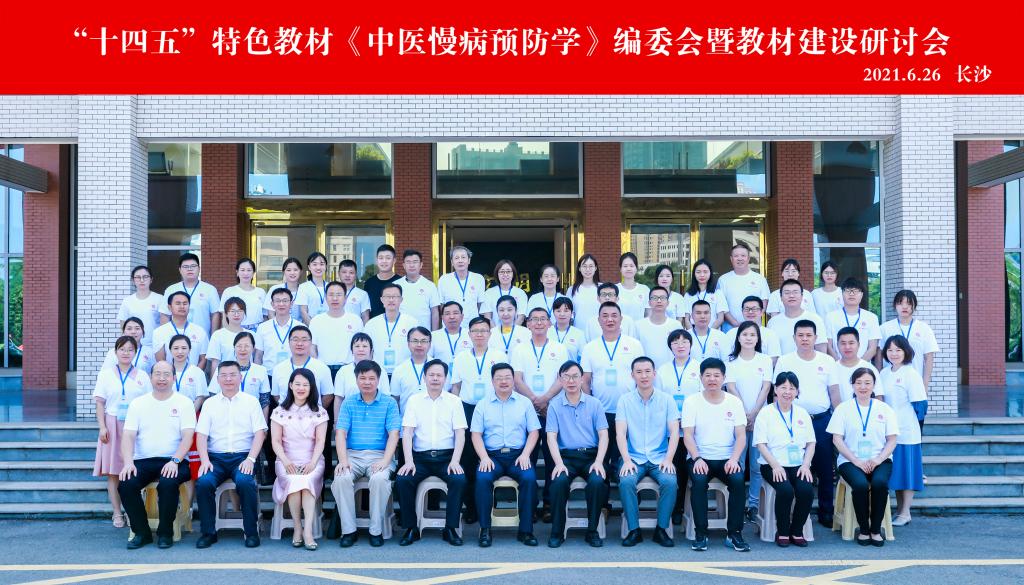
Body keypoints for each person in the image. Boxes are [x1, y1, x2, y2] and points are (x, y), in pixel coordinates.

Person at [117, 360, 196, 549]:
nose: (162, 378)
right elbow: (128, 436)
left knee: (168, 483)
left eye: (166, 374)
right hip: (143, 460)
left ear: (174, 378)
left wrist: (175, 460)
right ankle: (142, 532)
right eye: (158, 374)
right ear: (150, 377)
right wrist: (128, 462)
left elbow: (188, 436)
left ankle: (165, 533)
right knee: (126, 484)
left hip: (175, 460)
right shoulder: (138, 404)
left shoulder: (184, 403)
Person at [774, 320, 841, 526]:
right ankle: (792, 512)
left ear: (815, 338)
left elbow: (834, 393)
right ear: (794, 338)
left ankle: (826, 511)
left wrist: (839, 421)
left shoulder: (827, 361)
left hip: (821, 421)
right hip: (791, 422)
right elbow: (777, 393)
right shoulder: (785, 361)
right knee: (793, 465)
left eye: (808, 335)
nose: (804, 339)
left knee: (824, 468)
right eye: (800, 335)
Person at [194, 361, 268, 549]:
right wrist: (204, 460)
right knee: (203, 483)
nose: (228, 379)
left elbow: (260, 433)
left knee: (245, 482)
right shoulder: (209, 404)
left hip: (243, 457)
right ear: (217, 379)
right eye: (224, 375)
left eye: (233, 374)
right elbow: (201, 435)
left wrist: (251, 459)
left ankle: (251, 532)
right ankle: (208, 533)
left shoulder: (251, 402)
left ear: (240, 377)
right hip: (215, 458)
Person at [396, 360, 468, 547]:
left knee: (459, 479)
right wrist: (409, 461)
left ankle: (450, 528)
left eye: (439, 375)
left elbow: (460, 434)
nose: (435, 378)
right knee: (403, 480)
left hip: (446, 458)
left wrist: (455, 461)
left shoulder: (454, 401)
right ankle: (411, 528)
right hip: (420, 458)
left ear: (445, 378)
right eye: (431, 375)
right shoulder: (414, 400)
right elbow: (407, 433)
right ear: (424, 377)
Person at [682, 357, 750, 552]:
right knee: (699, 482)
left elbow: (741, 436)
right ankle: (701, 533)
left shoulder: (734, 402)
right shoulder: (692, 402)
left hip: (728, 458)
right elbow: (688, 435)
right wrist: (697, 458)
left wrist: (734, 459)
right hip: (700, 456)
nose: (712, 379)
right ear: (701, 378)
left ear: (724, 378)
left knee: (738, 481)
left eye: (716, 375)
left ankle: (734, 533)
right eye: (708, 375)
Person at [332, 360, 401, 548]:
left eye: (371, 378)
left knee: (379, 479)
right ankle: (349, 530)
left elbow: (394, 434)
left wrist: (386, 460)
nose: (367, 382)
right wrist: (343, 460)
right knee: (341, 478)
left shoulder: (389, 403)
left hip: (380, 455)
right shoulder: (349, 402)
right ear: (356, 380)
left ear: (379, 380)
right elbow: (340, 433)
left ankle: (375, 530)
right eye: (362, 378)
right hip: (352, 455)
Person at [471, 363, 541, 547]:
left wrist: (525, 455)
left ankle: (526, 531)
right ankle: (485, 529)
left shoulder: (524, 403)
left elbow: (534, 431)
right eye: (499, 378)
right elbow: (476, 434)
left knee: (529, 478)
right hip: (492, 456)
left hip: (518, 456)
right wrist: (484, 458)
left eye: (507, 377)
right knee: (482, 478)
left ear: (513, 380)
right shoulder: (482, 404)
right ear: (492, 381)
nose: (503, 381)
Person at [827, 367, 899, 546]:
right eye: (858, 383)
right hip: (850, 461)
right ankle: (864, 529)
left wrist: (878, 459)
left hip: (880, 460)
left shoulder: (885, 409)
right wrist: (856, 461)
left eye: (867, 383)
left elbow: (892, 440)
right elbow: (837, 439)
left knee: (879, 483)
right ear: (852, 385)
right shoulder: (843, 409)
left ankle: (875, 529)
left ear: (874, 385)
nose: (863, 387)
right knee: (859, 485)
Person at [510, 307, 569, 517]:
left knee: (553, 457)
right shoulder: (519, 349)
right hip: (527, 410)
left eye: (543, 319)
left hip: (553, 409)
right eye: (534, 319)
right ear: (528, 324)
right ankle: (531, 504)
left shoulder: (559, 348)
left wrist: (545, 399)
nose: (538, 323)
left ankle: (549, 504)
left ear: (549, 323)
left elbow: (563, 378)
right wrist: (534, 401)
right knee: (529, 458)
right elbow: (517, 379)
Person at [616, 357, 680, 548]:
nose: (644, 376)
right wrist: (626, 460)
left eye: (647, 371)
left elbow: (674, 431)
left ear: (654, 373)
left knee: (670, 481)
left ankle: (661, 530)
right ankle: (634, 530)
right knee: (626, 481)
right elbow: (620, 433)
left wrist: (669, 459)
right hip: (633, 457)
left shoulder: (667, 400)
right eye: (639, 372)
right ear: (632, 375)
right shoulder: (625, 400)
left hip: (660, 458)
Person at [545, 361, 609, 549]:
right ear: (560, 380)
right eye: (566, 376)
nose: (571, 381)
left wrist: (599, 461)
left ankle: (592, 531)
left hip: (591, 457)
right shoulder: (554, 405)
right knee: (558, 482)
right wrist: (558, 463)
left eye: (575, 376)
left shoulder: (594, 403)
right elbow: (551, 437)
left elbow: (604, 435)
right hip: (566, 457)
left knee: (597, 481)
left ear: (582, 379)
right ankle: (557, 531)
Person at [450, 317, 507, 524]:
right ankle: (471, 507)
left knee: (490, 456)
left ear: (490, 334)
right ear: (469, 334)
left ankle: (492, 504)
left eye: (484, 330)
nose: (480, 334)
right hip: (467, 408)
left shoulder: (499, 355)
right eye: (475, 331)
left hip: (493, 407)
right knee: (468, 460)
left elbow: (505, 383)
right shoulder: (461, 358)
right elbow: (455, 387)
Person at [93, 335, 153, 529]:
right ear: (115, 352)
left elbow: (149, 404)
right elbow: (100, 403)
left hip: (135, 427)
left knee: (134, 471)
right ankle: (117, 512)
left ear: (135, 353)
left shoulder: (142, 376)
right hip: (112, 425)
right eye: (122, 349)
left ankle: (132, 511)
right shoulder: (106, 375)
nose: (126, 353)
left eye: (130, 350)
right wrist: (102, 426)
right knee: (114, 473)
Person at [752, 371, 816, 548]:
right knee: (786, 491)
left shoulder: (802, 413)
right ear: (775, 389)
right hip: (771, 464)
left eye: (792, 388)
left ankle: (797, 531)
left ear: (797, 391)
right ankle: (783, 531)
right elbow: (761, 444)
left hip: (798, 464)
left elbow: (811, 443)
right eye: (783, 387)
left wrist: (806, 465)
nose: (787, 392)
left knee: (806, 491)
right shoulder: (766, 413)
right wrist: (775, 466)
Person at [270, 368, 329, 550]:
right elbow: (276, 441)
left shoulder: (319, 412)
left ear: (311, 387)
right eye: (297, 384)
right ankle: (297, 527)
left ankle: (308, 531)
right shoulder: (279, 411)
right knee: (294, 480)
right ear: (290, 386)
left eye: (305, 384)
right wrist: (286, 461)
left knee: (307, 479)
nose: (301, 388)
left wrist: (313, 462)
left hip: (313, 459)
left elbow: (320, 441)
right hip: (286, 459)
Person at [580, 301, 644, 469]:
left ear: (621, 319)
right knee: (602, 456)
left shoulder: (634, 345)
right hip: (600, 410)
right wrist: (591, 405)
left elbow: (642, 375)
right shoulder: (590, 347)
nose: (610, 319)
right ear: (599, 320)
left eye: (614, 315)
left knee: (623, 457)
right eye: (605, 316)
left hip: (628, 409)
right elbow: (585, 380)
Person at [724, 321, 773, 521]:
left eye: (753, 335)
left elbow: (766, 387)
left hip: (760, 418)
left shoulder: (765, 360)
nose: (748, 338)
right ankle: (737, 504)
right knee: (738, 464)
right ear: (738, 337)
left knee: (756, 465)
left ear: (758, 338)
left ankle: (753, 505)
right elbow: (731, 388)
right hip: (736, 419)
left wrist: (754, 413)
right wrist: (744, 413)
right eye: (745, 334)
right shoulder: (731, 362)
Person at [880, 336, 927, 526]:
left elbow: (920, 406)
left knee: (907, 473)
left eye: (898, 350)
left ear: (906, 352)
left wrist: (914, 427)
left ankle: (906, 512)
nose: (894, 354)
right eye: (890, 350)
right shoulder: (884, 373)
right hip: (889, 432)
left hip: (907, 432)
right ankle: (899, 511)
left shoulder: (911, 373)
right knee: (897, 473)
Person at [879, 289, 939, 424]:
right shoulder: (885, 328)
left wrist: (925, 384)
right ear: (895, 305)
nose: (904, 307)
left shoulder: (923, 328)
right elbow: (879, 356)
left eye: (909, 303)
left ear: (914, 306)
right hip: (892, 385)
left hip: (915, 385)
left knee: (916, 422)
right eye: (900, 303)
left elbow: (929, 358)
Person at [271, 326, 335, 410]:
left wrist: (314, 412)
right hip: (285, 415)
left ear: (311, 342)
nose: (300, 343)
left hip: (313, 415)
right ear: (289, 342)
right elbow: (276, 395)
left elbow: (328, 395)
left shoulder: (322, 368)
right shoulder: (278, 369)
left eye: (304, 340)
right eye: (295, 339)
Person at [363, 283, 419, 377]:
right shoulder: (371, 324)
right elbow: (366, 350)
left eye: (395, 296)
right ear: (381, 299)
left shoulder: (412, 323)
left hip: (405, 373)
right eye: (387, 296)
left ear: (401, 299)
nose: (391, 300)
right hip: (378, 374)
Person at [309, 281, 363, 377]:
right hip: (323, 370)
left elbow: (361, 347)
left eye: (338, 295)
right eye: (331, 295)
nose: (335, 298)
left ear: (345, 298)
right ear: (326, 298)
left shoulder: (356, 320)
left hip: (349, 371)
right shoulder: (316, 321)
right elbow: (312, 348)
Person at [209, 332, 271, 415]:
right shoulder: (222, 368)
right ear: (234, 348)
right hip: (226, 415)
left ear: (253, 348)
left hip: (252, 416)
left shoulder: (261, 370)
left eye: (247, 346)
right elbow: (213, 395)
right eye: (239, 346)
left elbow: (265, 401)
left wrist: (264, 422)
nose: (243, 349)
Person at [160, 252, 221, 336]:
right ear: (180, 270)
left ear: (199, 269)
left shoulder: (210, 289)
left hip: (201, 338)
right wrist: (166, 337)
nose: (189, 269)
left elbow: (215, 315)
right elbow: (165, 314)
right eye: (185, 267)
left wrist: (213, 338)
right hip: (176, 339)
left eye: (193, 266)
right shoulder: (171, 290)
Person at [715, 244, 769, 331]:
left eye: (743, 255)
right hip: (730, 329)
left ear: (748, 258)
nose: (740, 258)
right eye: (736, 256)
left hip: (754, 330)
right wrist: (734, 323)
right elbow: (721, 306)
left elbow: (764, 304)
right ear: (731, 259)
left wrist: (751, 323)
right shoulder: (723, 280)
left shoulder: (760, 279)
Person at [826, 277, 881, 361]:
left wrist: (859, 365)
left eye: (855, 291)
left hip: (863, 366)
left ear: (862, 294)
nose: (851, 294)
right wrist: (840, 364)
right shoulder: (831, 317)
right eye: (848, 290)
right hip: (837, 365)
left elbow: (873, 348)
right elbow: (828, 346)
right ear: (842, 293)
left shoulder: (871, 318)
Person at [767, 280, 828, 355]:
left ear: (802, 296)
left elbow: (822, 351)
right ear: (781, 298)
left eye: (795, 292)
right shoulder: (772, 322)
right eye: (787, 293)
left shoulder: (815, 319)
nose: (791, 296)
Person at [152, 291, 209, 369]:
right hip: (170, 375)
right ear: (169, 307)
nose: (182, 306)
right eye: (178, 303)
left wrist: (195, 374)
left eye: (185, 303)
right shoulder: (159, 332)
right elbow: (161, 360)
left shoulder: (200, 331)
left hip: (193, 375)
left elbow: (203, 359)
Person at [254, 287, 303, 376]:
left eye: (285, 301)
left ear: (291, 303)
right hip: (269, 375)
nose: (281, 304)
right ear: (272, 304)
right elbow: (258, 355)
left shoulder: (300, 327)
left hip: (294, 376)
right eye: (277, 301)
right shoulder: (263, 328)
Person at [332, 333, 392, 404]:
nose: (361, 349)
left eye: (365, 346)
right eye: (357, 346)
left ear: (371, 350)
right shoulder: (343, 371)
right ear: (352, 350)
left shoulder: (381, 371)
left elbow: (386, 398)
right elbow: (339, 399)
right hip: (350, 410)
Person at [118, 265, 167, 349]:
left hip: (155, 346)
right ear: (133, 280)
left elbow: (165, 325)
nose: (142, 280)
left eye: (145, 277)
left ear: (151, 279)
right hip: (134, 346)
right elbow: (123, 326)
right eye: (138, 277)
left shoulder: (160, 299)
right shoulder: (127, 301)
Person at [834, 327, 885, 403]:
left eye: (851, 343)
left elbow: (878, 397)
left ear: (858, 345)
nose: (847, 347)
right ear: (837, 345)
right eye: (843, 343)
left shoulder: (869, 368)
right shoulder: (832, 368)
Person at [395, 249, 441, 330]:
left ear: (421, 265)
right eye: (408, 262)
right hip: (401, 331)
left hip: (424, 333)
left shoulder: (430, 286)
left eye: (415, 262)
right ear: (404, 265)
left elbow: (435, 312)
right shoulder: (396, 285)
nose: (411, 265)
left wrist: (434, 334)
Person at [390, 327, 433, 414]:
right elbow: (395, 399)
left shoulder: (438, 367)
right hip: (406, 419)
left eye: (424, 341)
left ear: (430, 344)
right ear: (408, 344)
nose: (419, 345)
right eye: (415, 341)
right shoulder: (399, 370)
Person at [437, 245, 486, 321]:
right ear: (452, 262)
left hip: (473, 324)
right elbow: (441, 304)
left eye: (463, 257)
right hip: (451, 323)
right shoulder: (444, 279)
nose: (460, 261)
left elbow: (480, 304)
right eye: (456, 258)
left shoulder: (478, 278)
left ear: (469, 260)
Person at [635, 287, 680, 368]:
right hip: (646, 372)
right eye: (655, 298)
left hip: (670, 371)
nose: (659, 301)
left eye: (662, 298)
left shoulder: (676, 325)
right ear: (649, 303)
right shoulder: (638, 325)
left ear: (668, 303)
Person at [219, 258, 266, 332]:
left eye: (249, 270)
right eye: (242, 270)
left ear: (253, 273)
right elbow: (224, 317)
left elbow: (265, 316)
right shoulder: (229, 291)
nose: (246, 273)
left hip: (257, 331)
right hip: (235, 330)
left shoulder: (261, 292)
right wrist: (228, 333)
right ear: (237, 272)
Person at [430, 301, 472, 382]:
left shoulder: (470, 335)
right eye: (447, 314)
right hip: (440, 381)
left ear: (462, 316)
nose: (452, 317)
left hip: (466, 379)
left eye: (455, 313)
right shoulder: (433, 336)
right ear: (442, 317)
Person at [481, 259, 529, 325]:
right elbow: (488, 317)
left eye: (508, 271)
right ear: (497, 274)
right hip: (494, 330)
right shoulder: (489, 293)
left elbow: (521, 318)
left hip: (515, 330)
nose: (505, 274)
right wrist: (496, 331)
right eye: (502, 272)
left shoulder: (520, 293)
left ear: (513, 274)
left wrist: (512, 330)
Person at [167, 334, 209, 410]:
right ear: (170, 350)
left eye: (184, 348)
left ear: (189, 350)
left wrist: (189, 414)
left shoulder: (197, 372)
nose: (180, 352)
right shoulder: (164, 371)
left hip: (190, 412)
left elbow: (200, 398)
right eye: (176, 348)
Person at [681, 259, 725, 330]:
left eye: (705, 272)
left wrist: (709, 333)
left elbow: (720, 318)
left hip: (713, 333)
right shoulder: (688, 295)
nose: (702, 275)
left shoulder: (717, 293)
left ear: (710, 273)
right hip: (693, 333)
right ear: (694, 274)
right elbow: (686, 319)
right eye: (698, 272)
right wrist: (693, 333)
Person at [206, 297, 247, 371]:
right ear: (226, 314)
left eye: (240, 311)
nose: (236, 314)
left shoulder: (251, 335)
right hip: (226, 376)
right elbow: (215, 364)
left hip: (247, 376)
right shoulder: (218, 335)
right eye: (232, 311)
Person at [364, 244, 402, 319]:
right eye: (381, 258)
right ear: (376, 260)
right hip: (374, 324)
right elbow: (366, 310)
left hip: (397, 324)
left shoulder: (401, 282)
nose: (384, 261)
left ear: (394, 260)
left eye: (388, 258)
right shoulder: (369, 283)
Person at [263, 257, 304, 322]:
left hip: (299, 327)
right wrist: (279, 326)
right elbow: (270, 313)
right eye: (288, 270)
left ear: (301, 272)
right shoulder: (275, 289)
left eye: (295, 270)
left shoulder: (304, 290)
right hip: (278, 326)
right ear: (283, 272)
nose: (292, 273)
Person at [568, 253, 602, 327]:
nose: (587, 269)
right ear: (579, 268)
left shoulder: (602, 288)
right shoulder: (571, 290)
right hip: (578, 329)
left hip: (598, 329)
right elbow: (569, 312)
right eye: (584, 266)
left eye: (591, 266)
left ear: (596, 268)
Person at [548, 297, 586, 362]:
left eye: (566, 311)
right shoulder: (547, 332)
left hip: (571, 368)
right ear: (553, 313)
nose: (562, 314)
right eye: (558, 311)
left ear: (572, 313)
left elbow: (583, 358)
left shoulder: (579, 334)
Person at [297, 252, 331, 323]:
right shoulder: (303, 287)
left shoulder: (331, 286)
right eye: (314, 264)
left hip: (329, 324)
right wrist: (313, 327)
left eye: (322, 264)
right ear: (309, 267)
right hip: (310, 326)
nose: (318, 267)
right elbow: (303, 311)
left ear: (325, 266)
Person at [616, 252, 650, 322]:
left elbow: (648, 314)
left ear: (636, 268)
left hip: (639, 328)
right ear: (620, 269)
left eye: (631, 266)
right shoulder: (614, 289)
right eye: (625, 266)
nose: (628, 269)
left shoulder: (644, 289)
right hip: (619, 328)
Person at [338, 259, 372, 323]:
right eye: (344, 272)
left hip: (355, 328)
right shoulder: (332, 293)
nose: (347, 275)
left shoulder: (362, 294)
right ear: (339, 273)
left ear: (356, 275)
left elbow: (365, 317)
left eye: (351, 272)